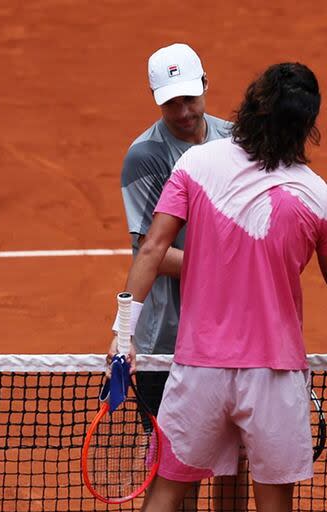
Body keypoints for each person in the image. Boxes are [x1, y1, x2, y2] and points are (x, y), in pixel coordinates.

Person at [108, 62, 327, 512]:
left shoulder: (195, 164)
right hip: (274, 379)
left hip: (200, 370)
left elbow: (151, 250)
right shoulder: (321, 197)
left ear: (252, 106)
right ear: (308, 126)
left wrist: (123, 337)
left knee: (164, 496)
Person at [114, 42, 236, 510]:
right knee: (176, 472)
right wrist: (232, 270)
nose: (183, 111)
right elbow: (153, 252)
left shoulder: (238, 140)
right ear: (155, 97)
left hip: (229, 336)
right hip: (168, 341)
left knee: (233, 461)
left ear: (206, 85)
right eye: (170, 102)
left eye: (190, 98)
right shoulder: (145, 157)